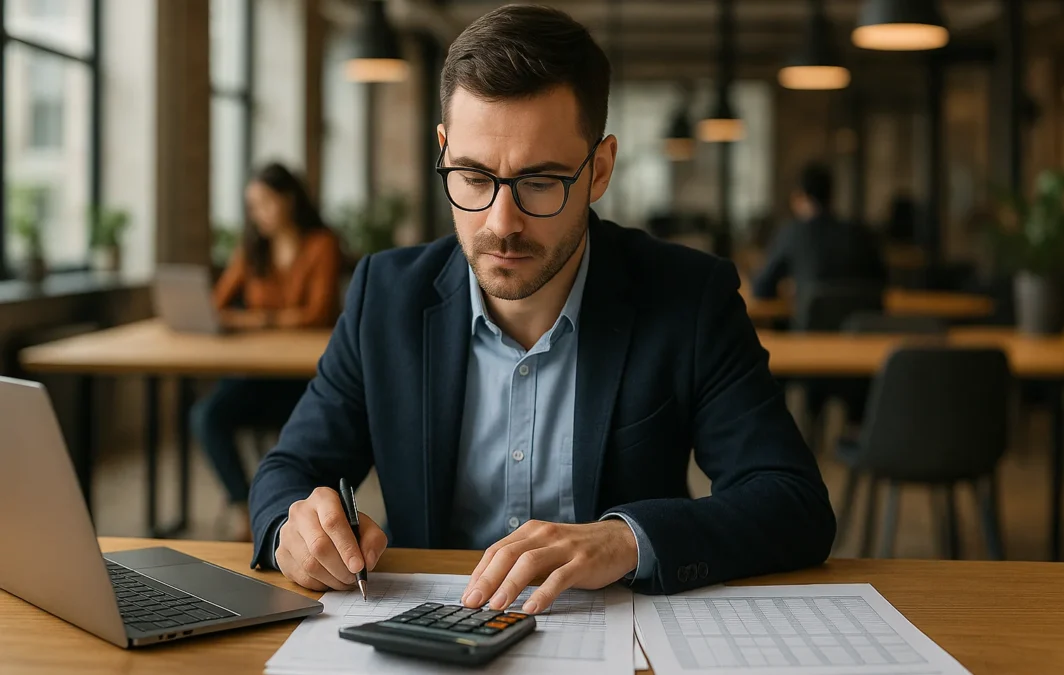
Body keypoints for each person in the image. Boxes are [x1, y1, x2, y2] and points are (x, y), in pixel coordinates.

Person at [249, 6, 834, 613]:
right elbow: (289, 470)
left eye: (540, 182)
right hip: (430, 632)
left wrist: (626, 539)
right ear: (444, 151)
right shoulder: (387, 296)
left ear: (599, 170)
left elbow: (792, 501)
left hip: (620, 629)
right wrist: (293, 529)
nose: (502, 223)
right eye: (474, 177)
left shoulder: (689, 297)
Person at [191, 163, 341, 541]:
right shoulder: (253, 248)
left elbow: (318, 313)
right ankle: (243, 506)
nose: (258, 213)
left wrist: (257, 319)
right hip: (257, 372)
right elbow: (216, 304)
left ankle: (310, 517)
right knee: (206, 416)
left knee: (309, 434)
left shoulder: (320, 244)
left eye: (265, 203)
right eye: (252, 206)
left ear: (288, 199)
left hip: (304, 376)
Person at [752, 163, 886, 300]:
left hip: (811, 314)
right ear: (831, 195)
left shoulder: (792, 234)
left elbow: (761, 287)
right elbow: (882, 282)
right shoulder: (861, 233)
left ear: (800, 196)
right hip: (861, 314)